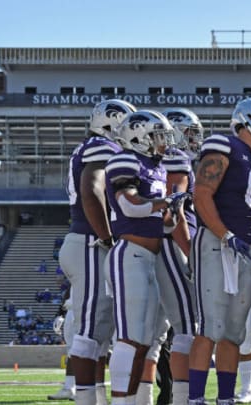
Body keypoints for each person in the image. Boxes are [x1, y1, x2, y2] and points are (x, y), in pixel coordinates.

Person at [188, 97, 251, 405]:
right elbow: (201, 195)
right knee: (209, 327)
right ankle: (195, 399)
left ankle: (225, 399)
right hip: (216, 244)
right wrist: (225, 235)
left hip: (241, 249)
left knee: (234, 332)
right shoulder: (223, 146)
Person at [104, 109, 187, 404]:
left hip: (149, 257)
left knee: (144, 341)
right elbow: (130, 206)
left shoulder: (157, 167)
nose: (164, 142)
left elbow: (160, 220)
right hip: (130, 254)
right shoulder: (125, 159)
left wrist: (173, 213)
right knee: (129, 339)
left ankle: (134, 399)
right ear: (139, 136)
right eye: (158, 136)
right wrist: (165, 201)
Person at [59, 99, 135, 405]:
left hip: (88, 241)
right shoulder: (103, 147)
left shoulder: (95, 145)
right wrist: (106, 237)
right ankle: (86, 400)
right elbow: (92, 190)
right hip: (90, 242)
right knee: (89, 331)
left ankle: (98, 398)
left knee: (100, 331)